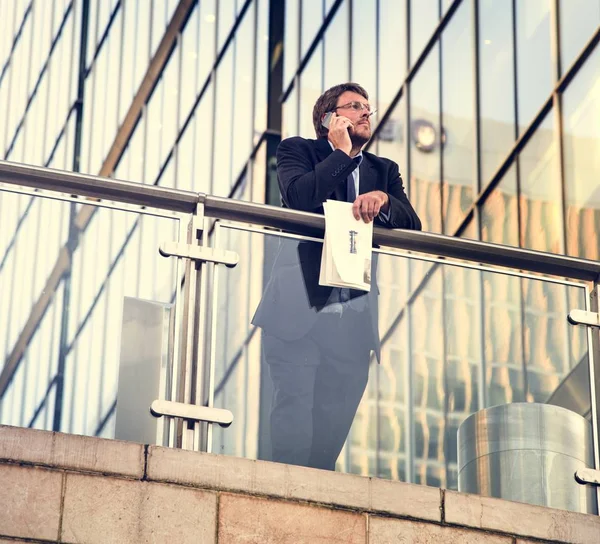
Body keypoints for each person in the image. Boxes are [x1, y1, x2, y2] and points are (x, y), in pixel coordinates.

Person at [252, 82, 421, 470]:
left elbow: (412, 221)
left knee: (326, 447)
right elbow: (300, 196)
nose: (366, 113)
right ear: (330, 117)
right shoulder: (298, 150)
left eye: (367, 107)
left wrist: (384, 201)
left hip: (351, 326)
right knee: (293, 435)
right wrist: (341, 152)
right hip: (298, 314)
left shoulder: (383, 170)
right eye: (354, 106)